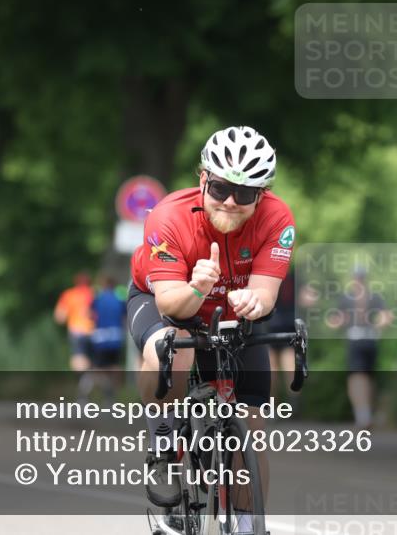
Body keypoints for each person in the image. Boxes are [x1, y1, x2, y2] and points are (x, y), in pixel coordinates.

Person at [128, 125, 293, 532]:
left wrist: (254, 302)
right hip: (167, 299)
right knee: (171, 347)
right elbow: (171, 305)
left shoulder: (277, 218)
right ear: (203, 179)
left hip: (232, 313)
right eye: (220, 188)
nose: (231, 202)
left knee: (251, 425)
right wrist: (198, 287)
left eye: (245, 194)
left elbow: (266, 292)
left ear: (262, 195)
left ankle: (247, 524)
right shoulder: (168, 216)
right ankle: (164, 444)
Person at [327, 265, 392, 430]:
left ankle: (363, 415)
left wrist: (335, 323)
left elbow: (336, 320)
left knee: (358, 377)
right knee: (366, 377)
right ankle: (366, 414)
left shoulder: (350, 297)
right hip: (369, 339)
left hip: (358, 339)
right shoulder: (373, 296)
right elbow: (386, 317)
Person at [89, 274, 128, 404]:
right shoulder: (119, 299)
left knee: (98, 367)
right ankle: (114, 395)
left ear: (103, 285)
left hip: (101, 336)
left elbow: (90, 315)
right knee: (115, 365)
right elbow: (125, 316)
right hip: (116, 335)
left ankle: (103, 391)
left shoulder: (98, 298)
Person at [54, 271, 96, 373]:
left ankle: (82, 378)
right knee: (93, 359)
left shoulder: (68, 295)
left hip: (76, 331)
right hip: (92, 331)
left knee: (78, 357)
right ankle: (91, 377)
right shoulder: (93, 294)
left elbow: (59, 317)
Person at [266, 272, 297, 401]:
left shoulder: (293, 278)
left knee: (285, 368)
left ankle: (290, 403)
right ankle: (275, 404)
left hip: (283, 327)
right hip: (273, 326)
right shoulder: (291, 276)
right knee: (272, 370)